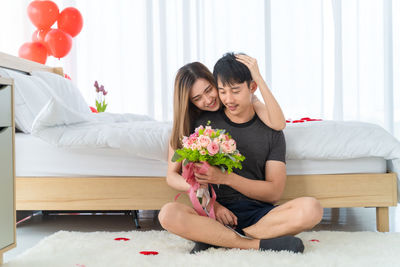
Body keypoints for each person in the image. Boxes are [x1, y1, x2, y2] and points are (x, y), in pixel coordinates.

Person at [159, 53, 323, 253]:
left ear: (251, 88)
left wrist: (226, 178)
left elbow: (274, 193)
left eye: (234, 91)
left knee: (311, 208)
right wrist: (213, 205)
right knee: (168, 214)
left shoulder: (271, 130)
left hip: (259, 215)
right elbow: (174, 175)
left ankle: (217, 238)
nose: (226, 99)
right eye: (222, 91)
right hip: (213, 213)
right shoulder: (200, 124)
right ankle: (255, 244)